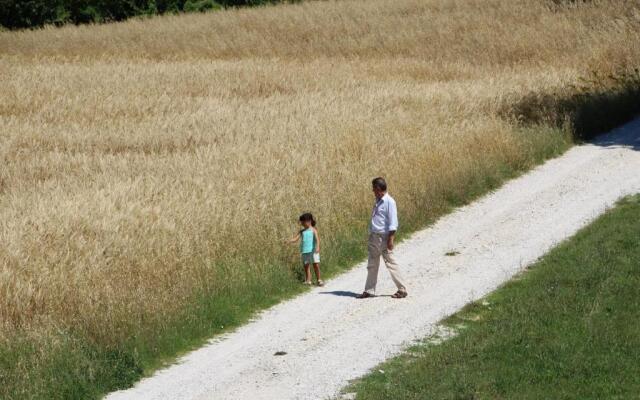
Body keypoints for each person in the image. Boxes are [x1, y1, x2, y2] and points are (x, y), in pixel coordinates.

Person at [357, 177, 408, 299]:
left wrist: (391, 239)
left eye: (374, 189)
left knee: (390, 262)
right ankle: (369, 290)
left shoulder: (389, 202)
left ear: (379, 189)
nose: (373, 191)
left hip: (383, 237)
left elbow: (393, 222)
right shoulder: (378, 201)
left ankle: (402, 289)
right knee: (372, 264)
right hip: (374, 236)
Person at [287, 213, 324, 286]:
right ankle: (308, 280)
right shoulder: (302, 231)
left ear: (309, 221)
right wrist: (289, 241)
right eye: (301, 222)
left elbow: (317, 239)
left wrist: (317, 247)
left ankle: (319, 279)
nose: (302, 224)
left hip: (313, 251)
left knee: (315, 264)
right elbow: (296, 239)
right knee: (306, 265)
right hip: (305, 251)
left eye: (303, 222)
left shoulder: (313, 230)